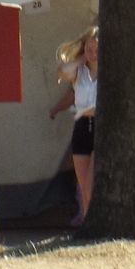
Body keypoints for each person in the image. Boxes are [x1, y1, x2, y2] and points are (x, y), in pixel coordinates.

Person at [47, 28, 99, 227]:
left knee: (93, 183)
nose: (93, 53)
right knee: (84, 186)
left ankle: (95, 222)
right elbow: (62, 71)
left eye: (96, 49)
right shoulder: (79, 72)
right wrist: (82, 58)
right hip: (82, 125)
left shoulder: (109, 72)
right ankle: (86, 223)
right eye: (89, 49)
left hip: (100, 126)